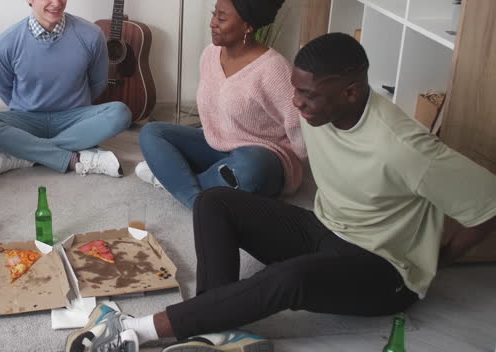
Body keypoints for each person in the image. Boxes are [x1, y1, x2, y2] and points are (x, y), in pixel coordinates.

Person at [65, 33, 496, 352]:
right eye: (295, 88)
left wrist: (437, 260)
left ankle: (134, 332)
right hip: (325, 232)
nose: (297, 103)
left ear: (350, 91)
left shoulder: (404, 147)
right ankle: (212, 331)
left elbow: (488, 201)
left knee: (286, 280)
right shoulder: (314, 109)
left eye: (308, 95)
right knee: (215, 202)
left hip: (383, 273)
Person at [136, 0, 306, 209]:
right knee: (152, 133)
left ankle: (179, 183)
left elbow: (299, 128)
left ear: (247, 26)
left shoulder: (274, 69)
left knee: (250, 168)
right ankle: (199, 199)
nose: (212, 23)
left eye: (222, 18)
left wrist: (306, 170)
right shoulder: (210, 54)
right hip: (216, 145)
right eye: (214, 14)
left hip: (261, 157)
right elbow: (212, 120)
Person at [0, 0, 131, 177]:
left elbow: (98, 83)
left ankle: (26, 152)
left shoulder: (91, 35)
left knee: (120, 113)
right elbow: (4, 89)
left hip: (75, 117)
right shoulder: (7, 42)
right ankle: (75, 156)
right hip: (27, 120)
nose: (56, 2)